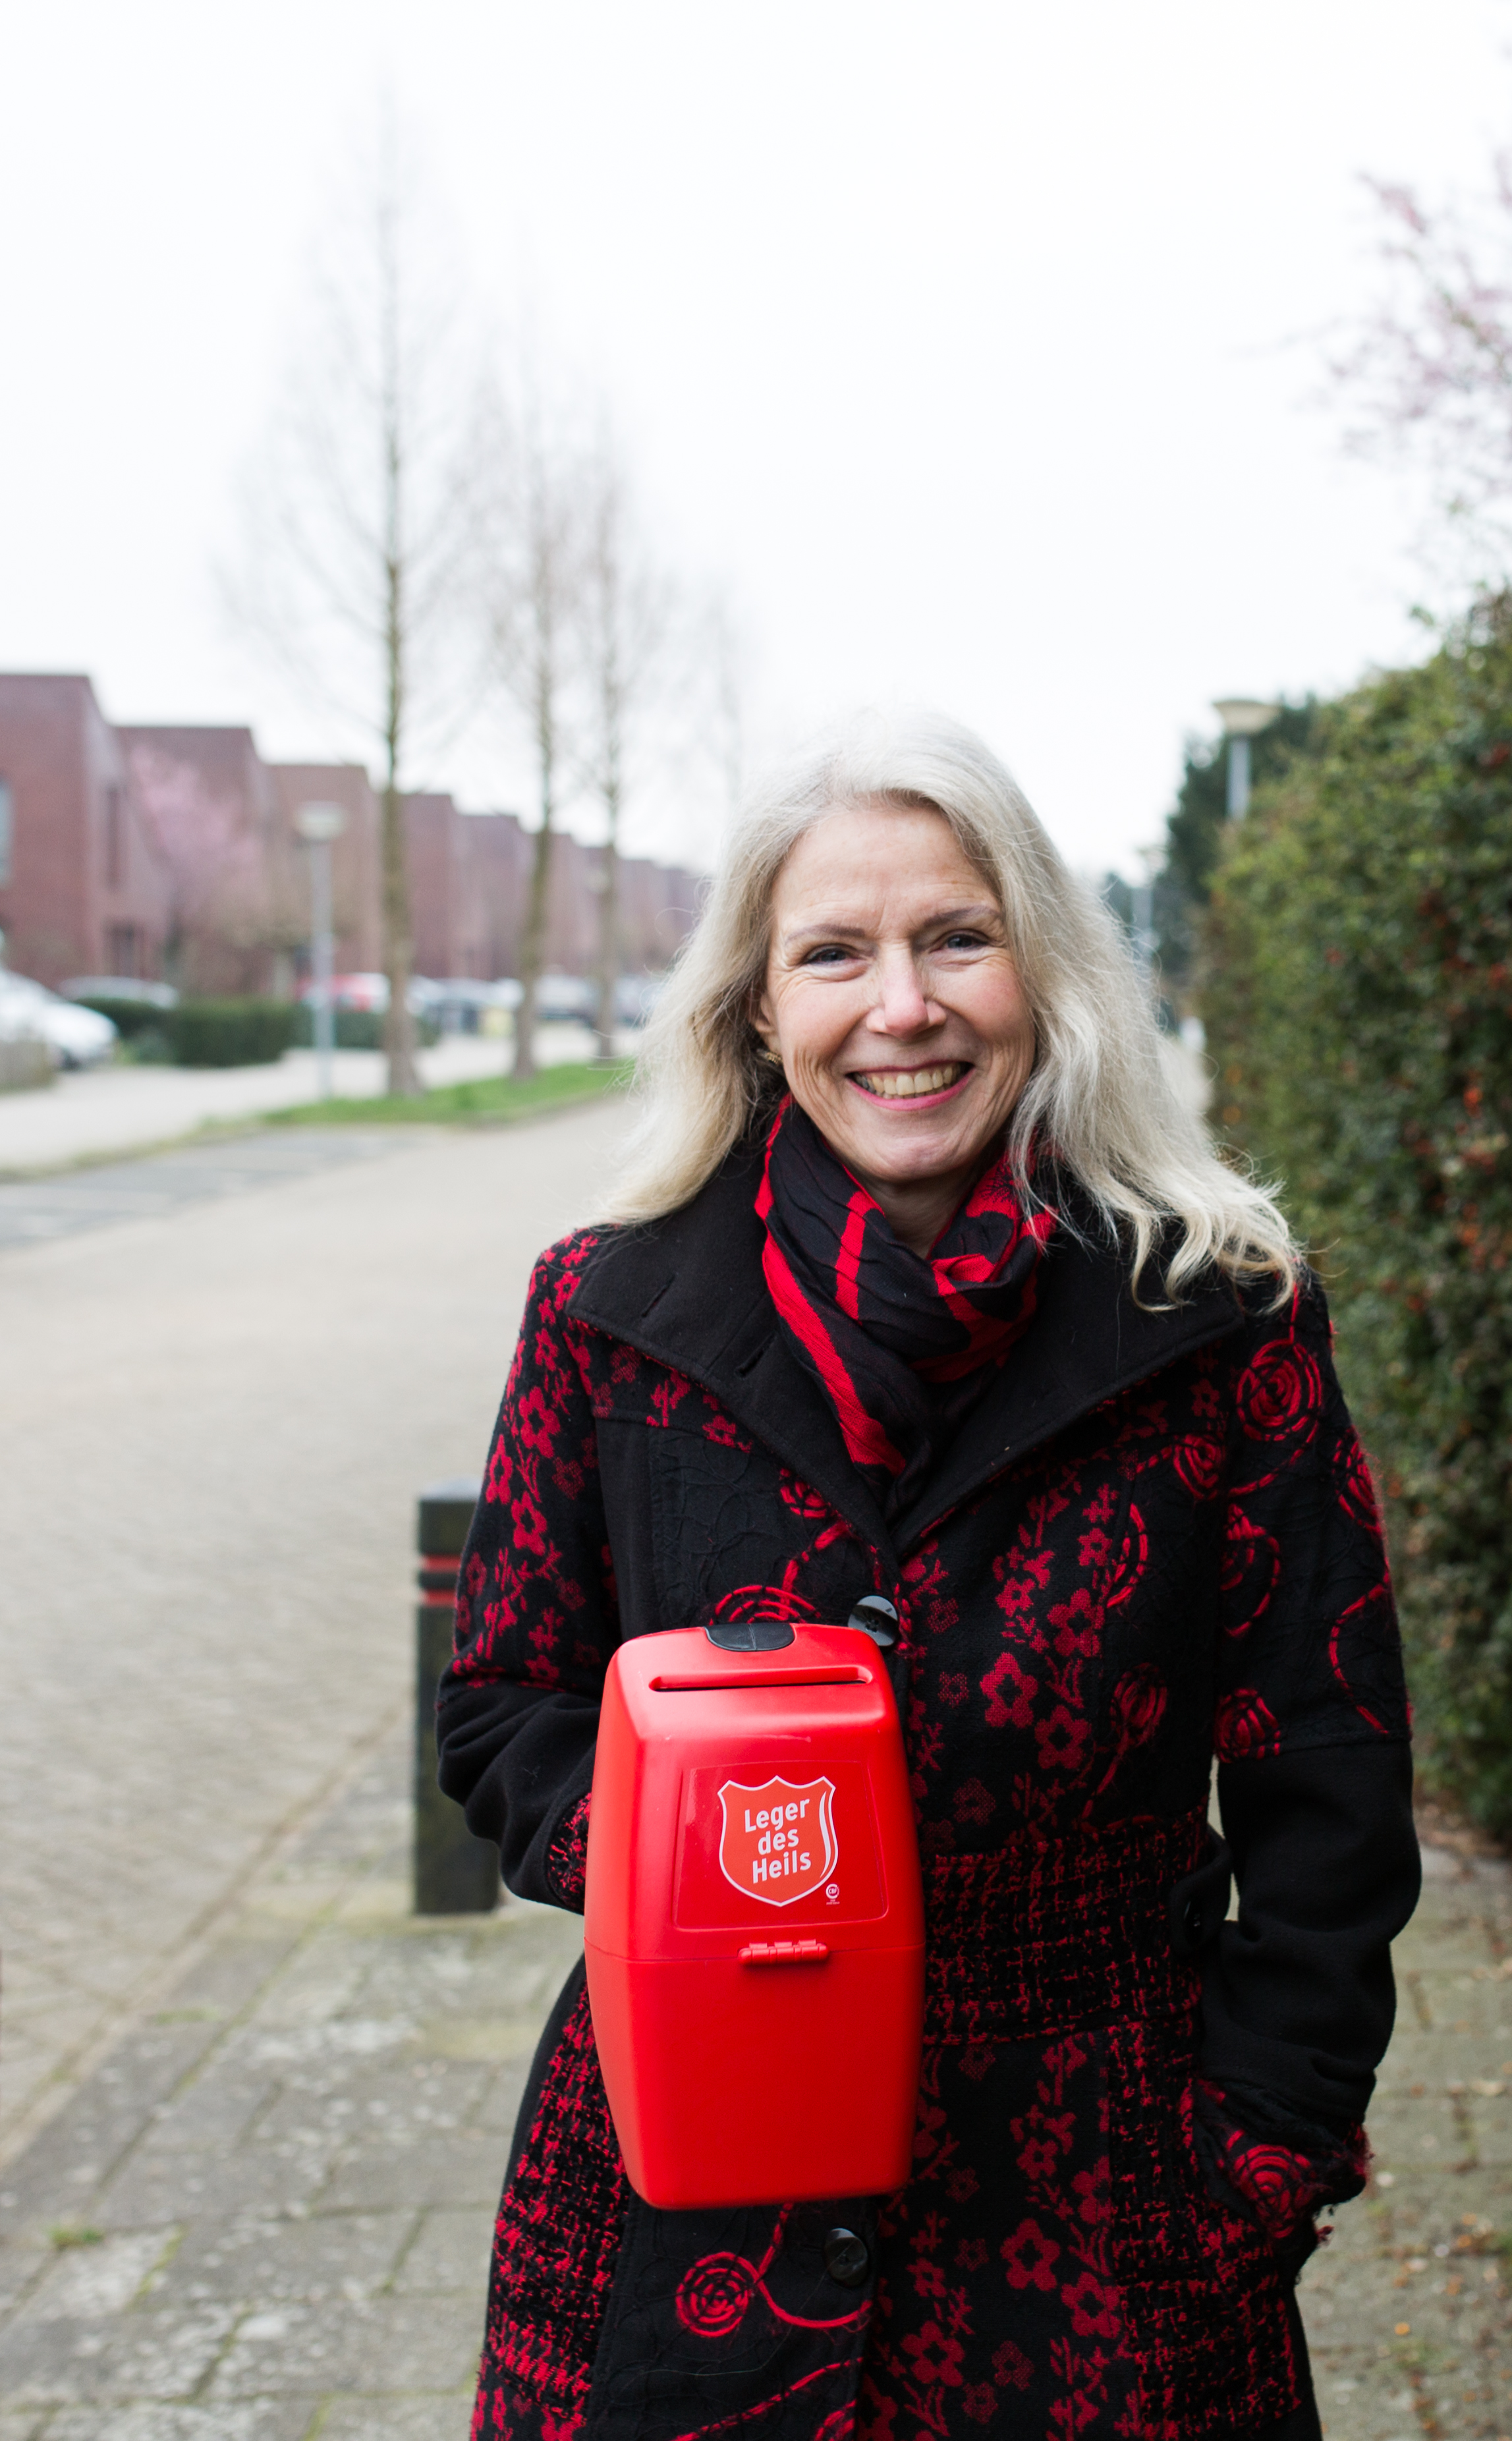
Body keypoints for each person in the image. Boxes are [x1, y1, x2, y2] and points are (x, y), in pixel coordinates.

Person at [441, 708, 1418, 2441]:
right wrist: (701, 1859)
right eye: (835, 952)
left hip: (1105, 2216)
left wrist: (1253, 2162)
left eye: (955, 937)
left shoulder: (1222, 1319)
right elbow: (505, 1695)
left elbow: (1331, 1785)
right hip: (687, 2200)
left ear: (1041, 969)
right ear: (760, 1003)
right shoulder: (604, 1317)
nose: (903, 1005)